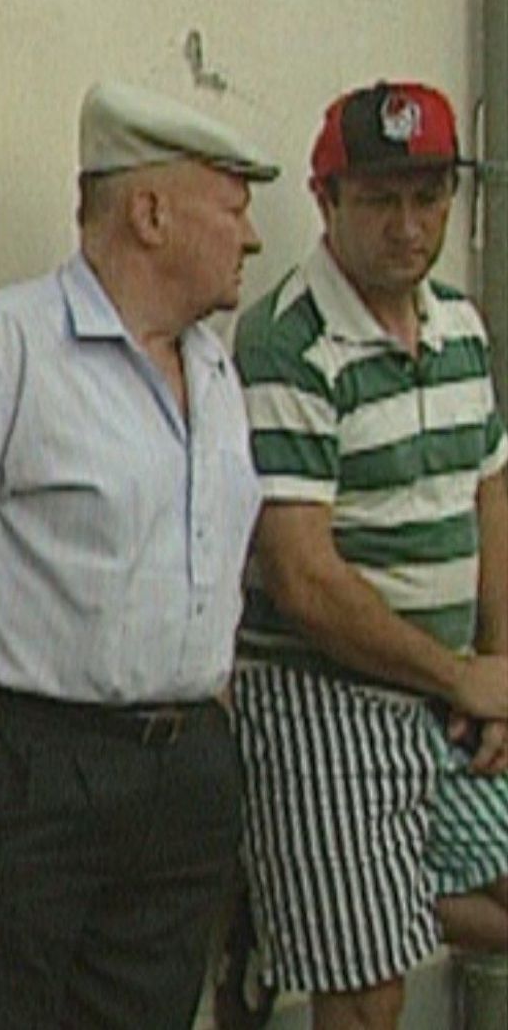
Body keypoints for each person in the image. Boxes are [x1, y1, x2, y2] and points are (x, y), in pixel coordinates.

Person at [0, 80, 277, 1030]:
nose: (252, 236)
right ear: (150, 211)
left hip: (177, 779)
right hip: (30, 772)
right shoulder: (2, 349)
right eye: (235, 203)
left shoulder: (215, 371)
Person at [226, 80, 508, 1030]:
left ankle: (305, 909)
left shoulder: (461, 324)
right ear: (326, 199)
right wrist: (460, 673)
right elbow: (304, 579)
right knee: (367, 995)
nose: (409, 225)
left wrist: (497, 664)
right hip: (321, 692)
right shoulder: (286, 341)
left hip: (447, 685)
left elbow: (491, 492)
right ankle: (327, 910)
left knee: (436, 910)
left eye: (429, 197)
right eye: (381, 199)